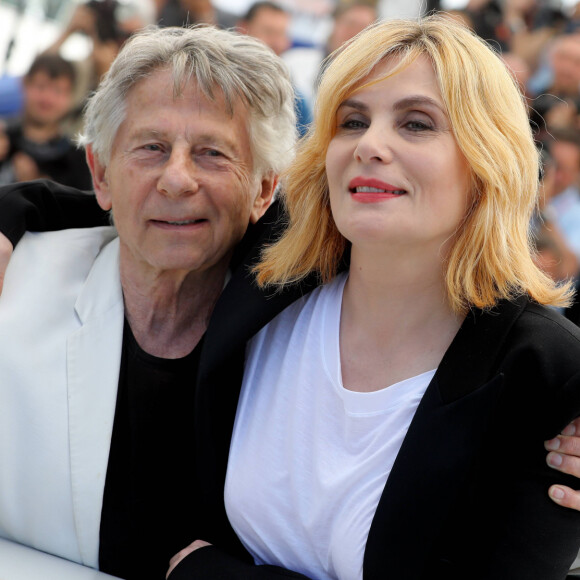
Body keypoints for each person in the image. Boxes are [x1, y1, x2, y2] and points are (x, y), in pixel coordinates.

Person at [2, 15, 580, 580]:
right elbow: (147, 208)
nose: (371, 144)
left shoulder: (546, 373)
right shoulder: (283, 283)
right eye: (352, 121)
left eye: (417, 124)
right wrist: (11, 214)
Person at [0, 24, 296, 580]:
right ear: (100, 173)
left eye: (212, 153)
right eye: (151, 148)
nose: (177, 179)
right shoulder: (14, 290)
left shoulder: (306, 332)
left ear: (263, 190)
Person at [0, 54, 92, 189]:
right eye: (41, 87)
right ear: (24, 83)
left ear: (70, 96)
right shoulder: (4, 137)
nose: (47, 98)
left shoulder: (78, 161)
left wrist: (34, 185)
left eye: (58, 91)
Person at [237, 1, 312, 136]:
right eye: (269, 32)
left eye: (282, 34)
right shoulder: (216, 81)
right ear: (243, 29)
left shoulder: (295, 100)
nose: (277, 43)